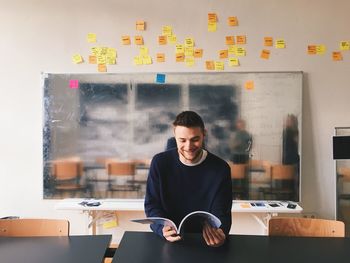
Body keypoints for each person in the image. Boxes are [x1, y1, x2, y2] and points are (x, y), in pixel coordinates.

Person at [145, 111, 232, 247]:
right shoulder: (159, 163)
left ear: (204, 134)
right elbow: (152, 205)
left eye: (195, 139)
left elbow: (222, 211)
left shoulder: (220, 168)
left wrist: (221, 233)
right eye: (182, 140)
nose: (188, 147)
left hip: (206, 242)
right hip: (168, 240)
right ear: (175, 136)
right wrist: (161, 229)